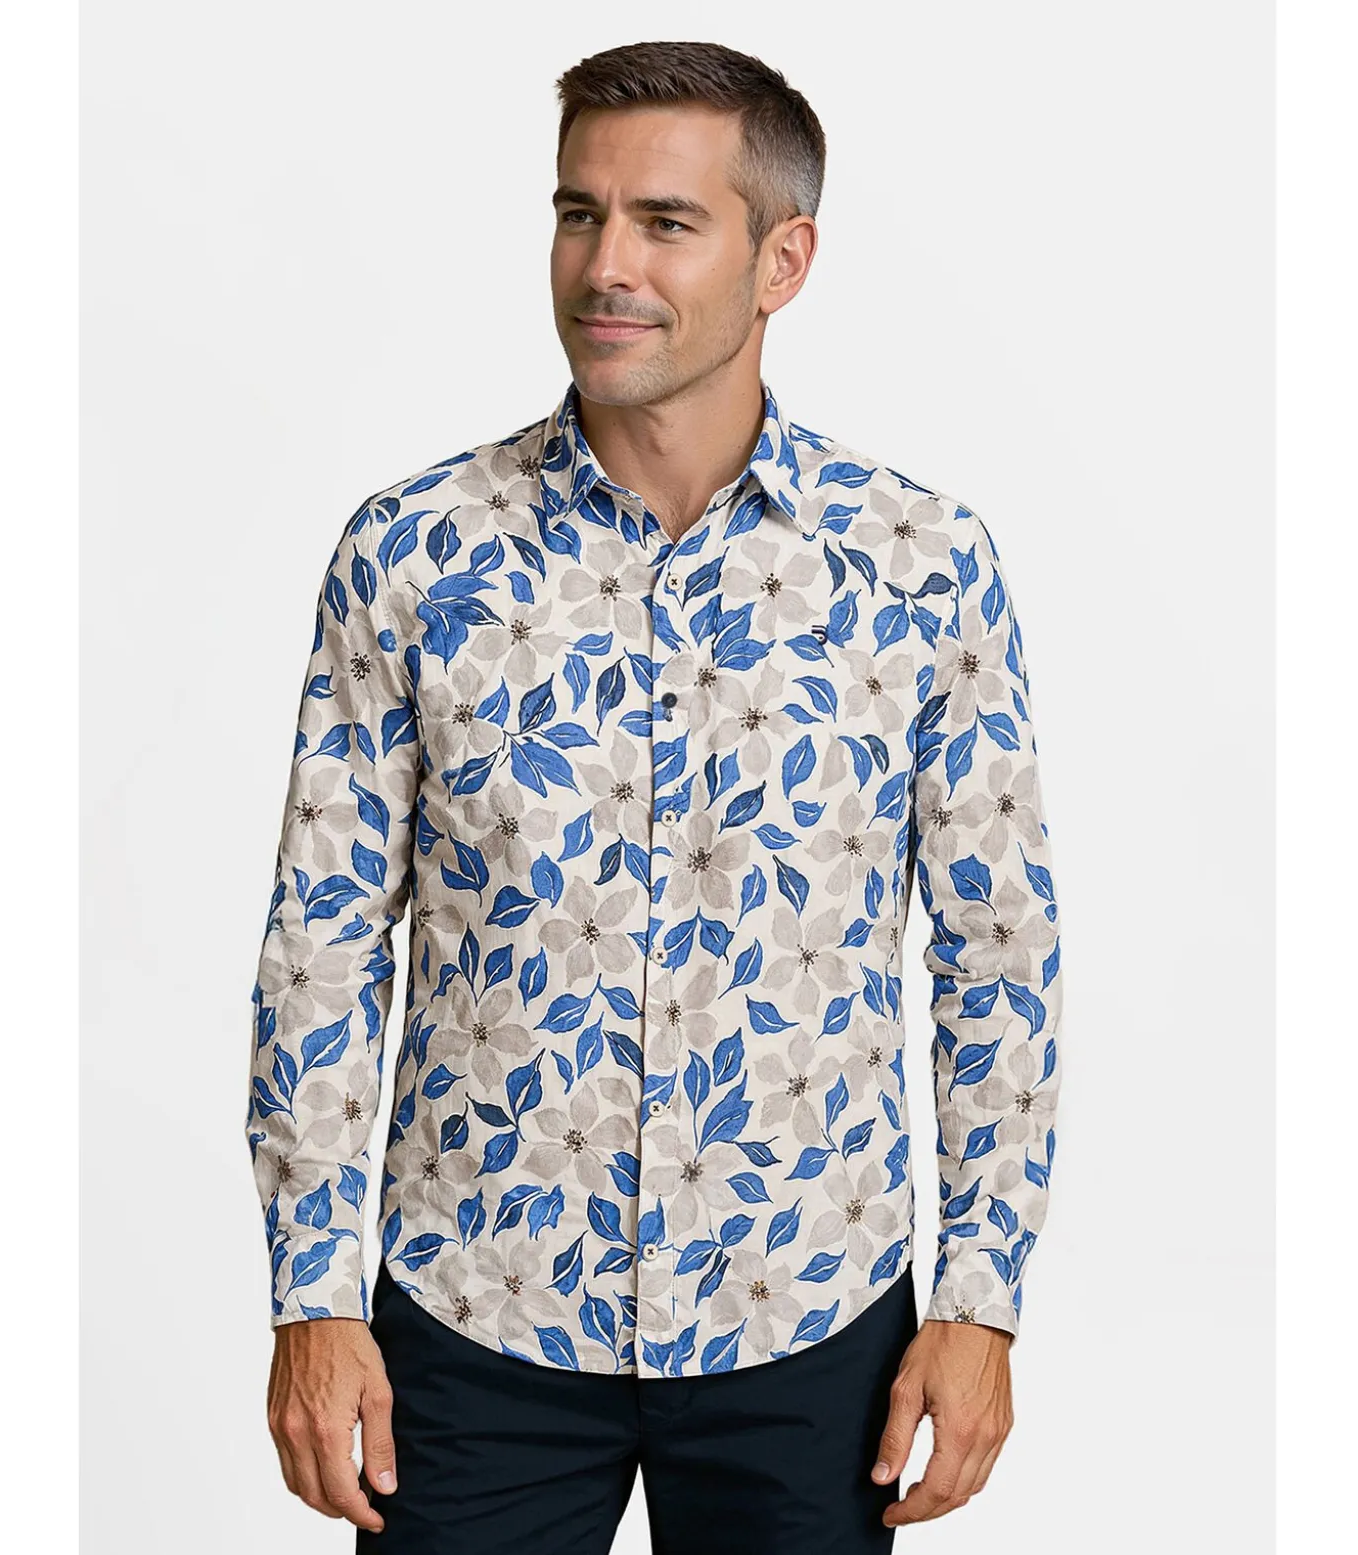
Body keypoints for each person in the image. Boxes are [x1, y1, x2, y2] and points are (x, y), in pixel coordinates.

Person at [245, 37, 1065, 1555]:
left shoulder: (922, 567)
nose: (605, 265)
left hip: (809, 1322)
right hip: (473, 1315)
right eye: (580, 213)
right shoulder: (414, 555)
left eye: (666, 223)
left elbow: (995, 950)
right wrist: (311, 1293)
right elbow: (325, 939)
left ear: (783, 260)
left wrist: (980, 1301)